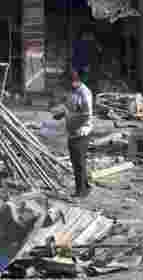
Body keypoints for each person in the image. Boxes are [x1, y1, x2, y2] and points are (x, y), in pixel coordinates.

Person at [55, 70, 93, 198]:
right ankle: (85, 186)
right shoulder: (72, 91)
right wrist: (61, 115)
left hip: (81, 132)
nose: (65, 86)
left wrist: (73, 122)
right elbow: (69, 108)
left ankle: (81, 191)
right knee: (76, 161)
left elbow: (87, 115)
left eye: (66, 83)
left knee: (78, 162)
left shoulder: (84, 93)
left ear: (74, 81)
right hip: (72, 131)